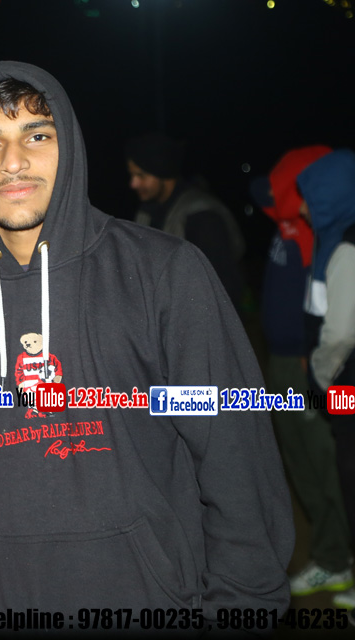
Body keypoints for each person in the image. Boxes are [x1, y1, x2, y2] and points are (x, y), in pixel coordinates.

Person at [0, 61, 294, 620]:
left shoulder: (164, 273)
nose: (13, 162)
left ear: (71, 146)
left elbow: (236, 462)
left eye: (37, 136)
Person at [252, 146, 354, 599]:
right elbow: (259, 191)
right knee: (300, 460)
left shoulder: (330, 238)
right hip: (288, 363)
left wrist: (316, 368)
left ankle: (336, 558)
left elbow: (336, 325)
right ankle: (333, 556)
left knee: (328, 463)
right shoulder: (293, 226)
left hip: (315, 371)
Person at [297, 148, 355, 611]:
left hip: (346, 386)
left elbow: (339, 335)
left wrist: (319, 381)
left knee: (350, 469)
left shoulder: (347, 247)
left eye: (312, 196)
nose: (302, 207)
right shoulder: (336, 239)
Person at [126, 132, 245, 306]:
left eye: (141, 176)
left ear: (163, 173)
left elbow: (222, 290)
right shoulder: (146, 213)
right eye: (132, 175)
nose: (133, 184)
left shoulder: (202, 218)